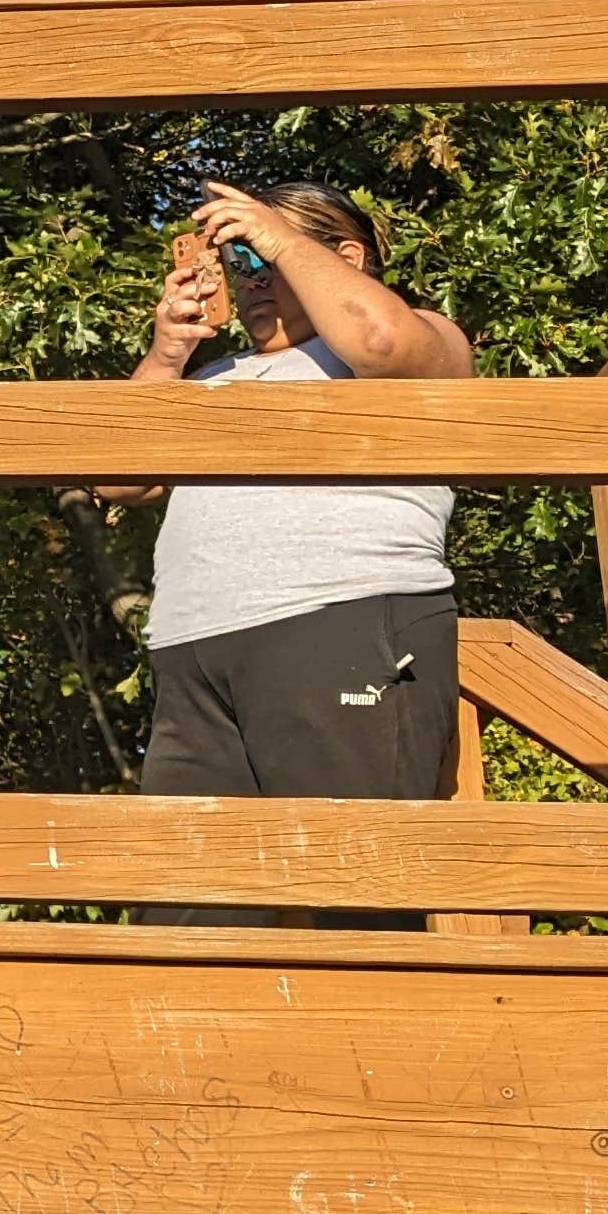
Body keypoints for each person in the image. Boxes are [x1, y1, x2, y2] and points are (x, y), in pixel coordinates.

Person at [111, 178, 473, 799]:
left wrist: (278, 237)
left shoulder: (417, 336)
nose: (250, 281)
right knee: (186, 865)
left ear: (348, 256)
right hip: (191, 652)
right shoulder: (212, 376)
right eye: (238, 267)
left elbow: (381, 342)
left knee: (351, 855)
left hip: (340, 619)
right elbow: (119, 478)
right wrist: (168, 355)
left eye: (261, 259)